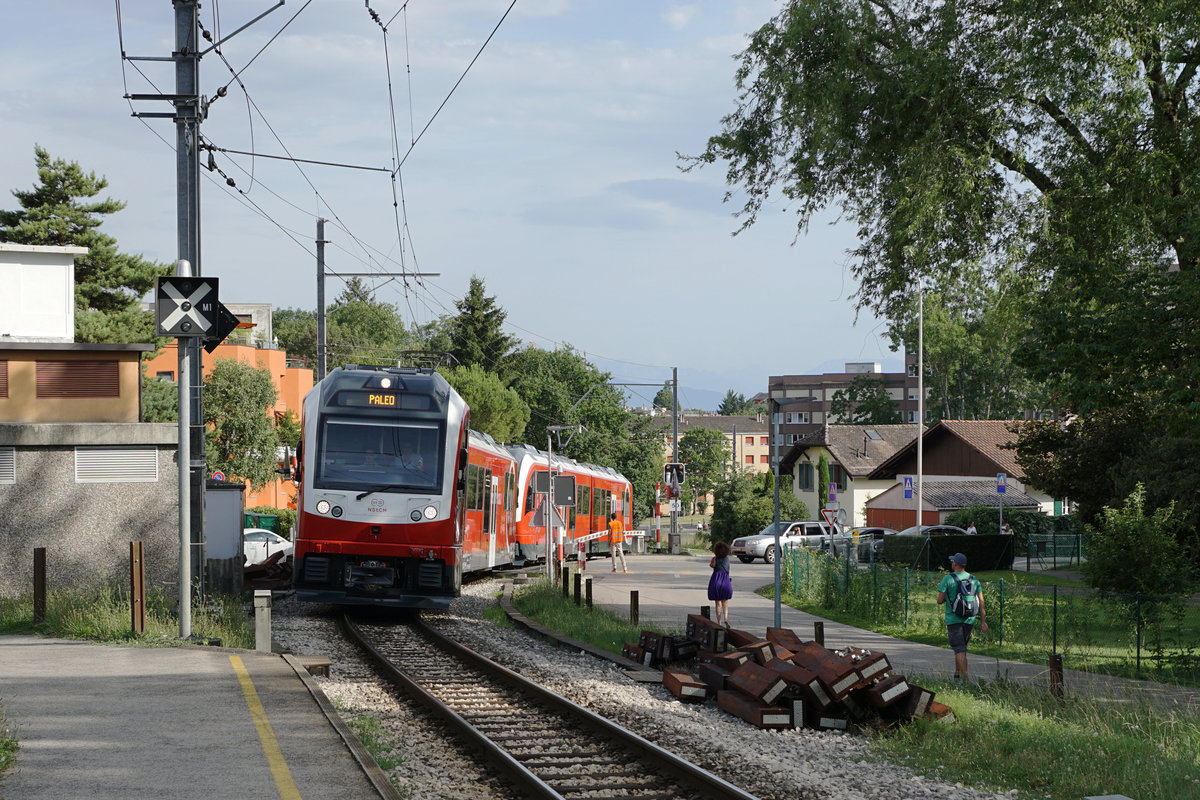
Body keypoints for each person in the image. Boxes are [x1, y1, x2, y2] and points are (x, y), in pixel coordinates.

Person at [936, 553, 989, 681]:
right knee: (961, 648)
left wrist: (947, 599)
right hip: (969, 619)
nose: (951, 563)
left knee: (959, 648)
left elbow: (939, 600)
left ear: (955, 564)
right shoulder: (974, 579)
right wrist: (983, 621)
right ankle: (957, 674)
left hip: (953, 619)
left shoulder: (948, 579)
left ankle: (965, 678)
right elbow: (981, 601)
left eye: (952, 561)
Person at [707, 540, 733, 627]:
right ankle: (726, 619)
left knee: (718, 604)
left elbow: (711, 565)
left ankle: (719, 623)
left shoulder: (715, 559)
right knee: (725, 603)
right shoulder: (727, 559)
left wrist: (714, 559)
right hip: (726, 581)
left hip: (716, 581)